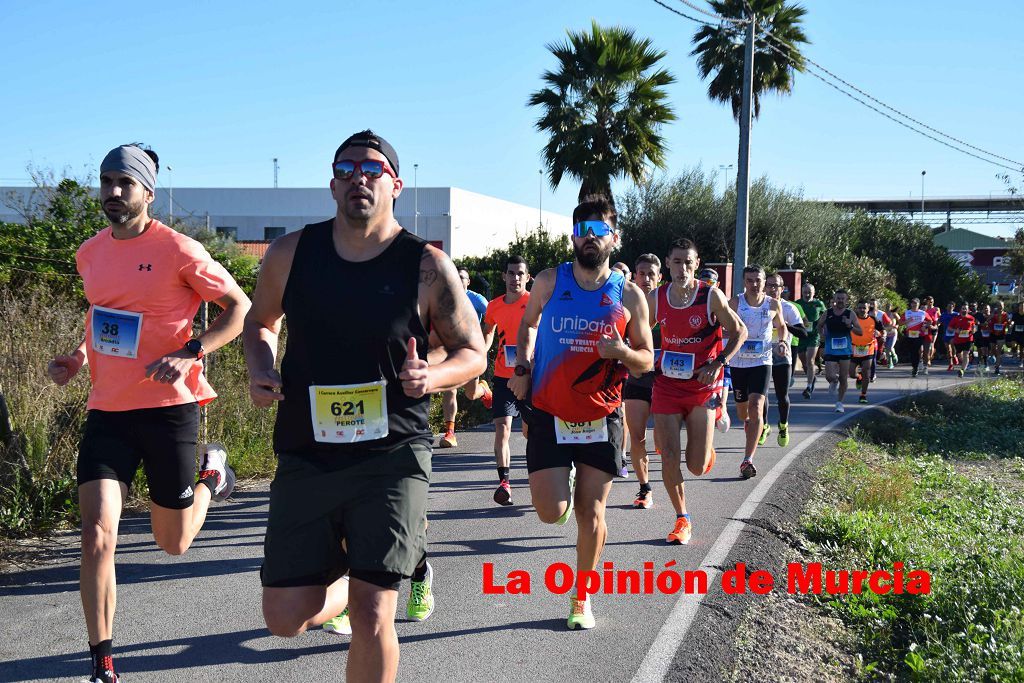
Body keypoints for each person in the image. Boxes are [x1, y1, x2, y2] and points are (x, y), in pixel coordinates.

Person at [244, 130, 486, 682]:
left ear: (394, 185)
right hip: (309, 451)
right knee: (283, 617)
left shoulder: (425, 265)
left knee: (376, 612)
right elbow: (260, 322)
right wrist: (261, 368)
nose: (360, 176)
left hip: (391, 455)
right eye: (347, 167)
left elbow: (473, 352)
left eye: (373, 168)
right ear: (332, 183)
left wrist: (433, 374)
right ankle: (367, 577)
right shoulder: (290, 254)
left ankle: (380, 580)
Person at [46, 144, 251, 683]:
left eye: (124, 183)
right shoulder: (89, 252)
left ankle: (212, 474)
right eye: (106, 181)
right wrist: (78, 356)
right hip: (108, 410)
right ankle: (103, 661)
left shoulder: (180, 250)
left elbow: (239, 308)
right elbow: (102, 318)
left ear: (148, 193)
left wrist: (193, 350)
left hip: (169, 410)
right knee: (96, 536)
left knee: (173, 543)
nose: (113, 192)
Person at [509, 195, 653, 630]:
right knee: (551, 512)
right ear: (573, 236)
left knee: (593, 513)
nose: (589, 238)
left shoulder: (629, 295)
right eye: (581, 230)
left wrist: (624, 351)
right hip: (549, 411)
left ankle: (582, 596)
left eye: (598, 231)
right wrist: (522, 367)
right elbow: (529, 323)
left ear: (615, 238)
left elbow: (647, 358)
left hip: (601, 416)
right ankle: (562, 488)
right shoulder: (550, 281)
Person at [650, 239, 746, 542]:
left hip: (702, 387)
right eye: (677, 262)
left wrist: (719, 363)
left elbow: (739, 331)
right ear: (668, 263)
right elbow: (635, 329)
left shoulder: (710, 296)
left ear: (696, 263)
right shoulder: (656, 297)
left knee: (696, 465)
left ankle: (705, 451)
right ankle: (682, 518)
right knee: (668, 456)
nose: (682, 268)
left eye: (688, 262)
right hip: (666, 384)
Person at [481, 255, 533, 505]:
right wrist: (482, 350)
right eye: (511, 273)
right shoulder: (494, 306)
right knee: (502, 427)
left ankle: (543, 473)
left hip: (531, 376)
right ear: (503, 276)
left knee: (530, 431)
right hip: (503, 376)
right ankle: (504, 482)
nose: (515, 278)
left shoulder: (535, 302)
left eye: (520, 273)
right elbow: (487, 332)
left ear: (528, 277)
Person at [729, 265, 788, 478]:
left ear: (765, 282)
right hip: (738, 363)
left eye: (758, 280)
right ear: (744, 282)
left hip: (762, 361)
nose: (755, 284)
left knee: (756, 406)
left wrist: (782, 342)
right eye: (750, 280)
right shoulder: (735, 303)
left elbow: (781, 326)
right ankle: (751, 424)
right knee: (742, 412)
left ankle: (748, 460)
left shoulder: (773, 304)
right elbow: (722, 326)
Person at [437, 269, 492, 448]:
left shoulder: (477, 299)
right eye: (455, 276)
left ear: (468, 282)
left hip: (471, 352)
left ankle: (483, 389)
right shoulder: (443, 297)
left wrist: (484, 347)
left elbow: (493, 320)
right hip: (450, 351)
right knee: (449, 389)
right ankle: (450, 433)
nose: (458, 280)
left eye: (462, 278)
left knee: (470, 394)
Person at [624, 254, 662, 509]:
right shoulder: (625, 306)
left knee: (661, 442)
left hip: (665, 381)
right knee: (637, 437)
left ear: (660, 277)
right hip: (637, 379)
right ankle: (644, 487)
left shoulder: (670, 304)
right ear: (634, 276)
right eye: (641, 273)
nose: (646, 279)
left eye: (651, 274)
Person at [764, 273, 806, 446]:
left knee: (782, 396)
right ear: (764, 287)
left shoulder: (789, 308)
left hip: (782, 355)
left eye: (777, 286)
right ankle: (764, 425)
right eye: (770, 285)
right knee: (760, 394)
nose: (773, 289)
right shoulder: (759, 305)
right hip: (761, 355)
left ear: (783, 289)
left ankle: (783, 425)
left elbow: (803, 333)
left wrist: (781, 324)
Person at [818, 289, 862, 413]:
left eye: (843, 298)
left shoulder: (850, 314)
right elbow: (819, 325)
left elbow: (860, 332)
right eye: (838, 298)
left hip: (845, 351)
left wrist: (850, 326)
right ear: (835, 299)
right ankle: (833, 381)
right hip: (830, 350)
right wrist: (822, 334)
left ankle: (839, 403)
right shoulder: (828, 313)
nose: (840, 300)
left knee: (844, 378)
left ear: (846, 300)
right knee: (829, 376)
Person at [699, 268, 732, 432]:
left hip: (723, 355)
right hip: (702, 357)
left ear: (717, 284)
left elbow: (738, 329)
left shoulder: (723, 302)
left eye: (710, 283)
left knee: (718, 398)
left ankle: (723, 409)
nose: (706, 286)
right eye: (703, 282)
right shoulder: (692, 301)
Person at [796, 283, 826, 398]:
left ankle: (808, 387)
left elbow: (825, 316)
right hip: (801, 335)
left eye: (810, 292)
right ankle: (812, 378)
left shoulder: (818, 304)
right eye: (805, 292)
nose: (807, 294)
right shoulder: (798, 304)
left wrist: (822, 328)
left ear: (814, 293)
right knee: (804, 363)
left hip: (814, 336)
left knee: (810, 360)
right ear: (802, 292)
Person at [850, 301, 879, 404]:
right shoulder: (853, 319)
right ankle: (859, 377)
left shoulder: (873, 319)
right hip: (854, 349)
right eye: (860, 308)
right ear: (857, 309)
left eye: (864, 308)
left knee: (866, 372)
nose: (862, 310)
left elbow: (883, 330)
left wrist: (880, 333)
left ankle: (863, 395)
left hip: (868, 349)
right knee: (851, 373)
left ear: (868, 309)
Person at [901, 298, 930, 377]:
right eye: (913, 303)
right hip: (909, 335)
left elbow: (930, 321)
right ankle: (915, 367)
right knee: (912, 352)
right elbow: (900, 323)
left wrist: (925, 326)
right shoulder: (907, 313)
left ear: (918, 305)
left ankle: (915, 368)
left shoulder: (923, 313)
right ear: (911, 304)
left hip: (920, 335)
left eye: (916, 304)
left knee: (917, 350)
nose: (914, 305)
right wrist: (907, 321)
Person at [947, 302, 977, 377]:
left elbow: (974, 327)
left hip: (968, 339)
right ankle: (965, 364)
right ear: (960, 310)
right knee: (959, 355)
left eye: (965, 309)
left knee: (966, 355)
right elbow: (949, 328)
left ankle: (962, 370)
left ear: (968, 310)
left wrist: (973, 330)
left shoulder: (971, 318)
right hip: (958, 340)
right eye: (963, 309)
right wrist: (955, 330)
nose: (964, 310)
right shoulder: (956, 318)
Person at [988, 301, 1010, 373]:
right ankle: (996, 358)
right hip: (993, 334)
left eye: (1001, 305)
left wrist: (1010, 323)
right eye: (998, 305)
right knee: (993, 349)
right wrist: (990, 318)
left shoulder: (1005, 314)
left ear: (1003, 306)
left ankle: (997, 367)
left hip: (1001, 334)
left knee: (998, 351)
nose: (1000, 307)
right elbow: (988, 320)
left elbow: (1009, 322)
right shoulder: (994, 314)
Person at [937, 301, 959, 370]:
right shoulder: (943, 314)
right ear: (946, 307)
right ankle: (950, 364)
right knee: (948, 350)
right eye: (948, 306)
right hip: (946, 333)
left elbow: (961, 322)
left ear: (953, 307)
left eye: (951, 307)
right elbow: (939, 322)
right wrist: (936, 323)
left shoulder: (956, 315)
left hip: (953, 333)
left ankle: (955, 355)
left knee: (953, 345)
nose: (949, 308)